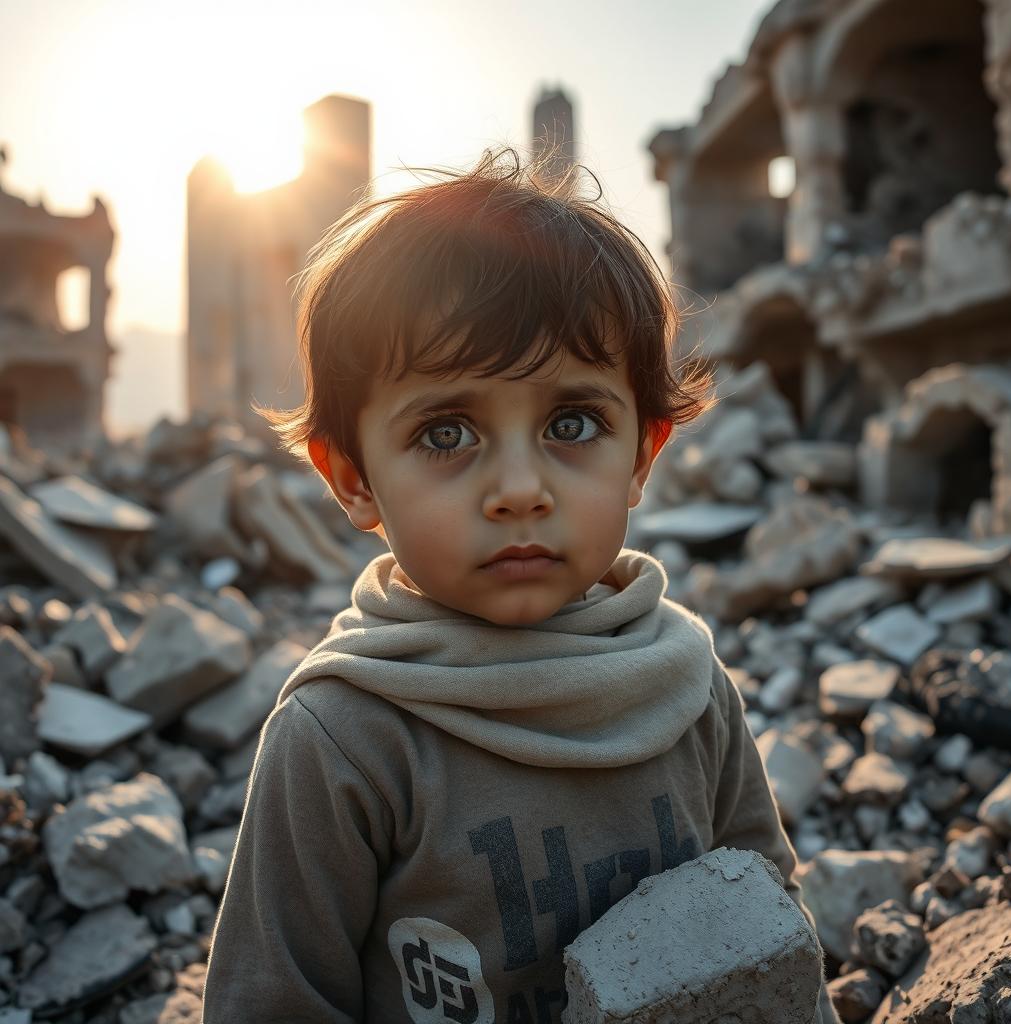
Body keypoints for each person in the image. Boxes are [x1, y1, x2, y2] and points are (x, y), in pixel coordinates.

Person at [201, 146, 838, 1024]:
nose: (519, 489)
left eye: (572, 423)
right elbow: (274, 1003)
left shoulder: (686, 684)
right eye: (447, 433)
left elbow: (772, 937)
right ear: (353, 479)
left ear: (643, 456)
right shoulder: (349, 737)